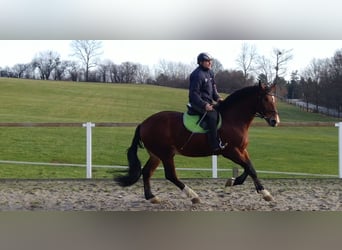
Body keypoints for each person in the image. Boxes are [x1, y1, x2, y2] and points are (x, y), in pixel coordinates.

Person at [188, 52, 227, 152]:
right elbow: (194, 94)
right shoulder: (197, 75)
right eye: (207, 61)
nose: (210, 63)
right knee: (212, 115)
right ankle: (214, 145)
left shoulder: (210, 73)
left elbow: (213, 90)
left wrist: (218, 98)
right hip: (197, 103)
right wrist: (204, 105)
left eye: (210, 61)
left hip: (208, 102)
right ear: (201, 62)